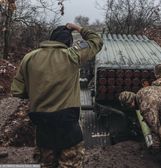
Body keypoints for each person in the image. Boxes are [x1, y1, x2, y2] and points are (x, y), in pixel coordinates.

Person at [11, 23, 103, 167]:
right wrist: (78, 28)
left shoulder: (29, 58)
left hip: (42, 123)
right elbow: (96, 40)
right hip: (67, 124)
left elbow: (17, 91)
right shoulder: (72, 55)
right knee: (70, 163)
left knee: (47, 164)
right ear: (68, 43)